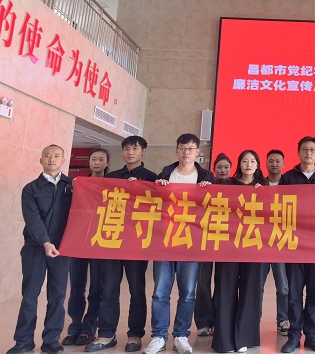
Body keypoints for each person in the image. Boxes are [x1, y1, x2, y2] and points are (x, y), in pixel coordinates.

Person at [141, 134, 213, 354]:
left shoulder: (206, 177)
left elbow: (215, 207)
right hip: (165, 242)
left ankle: (181, 335)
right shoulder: (165, 174)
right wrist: (158, 187)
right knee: (160, 292)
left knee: (188, 293)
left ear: (197, 152)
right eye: (182, 148)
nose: (186, 152)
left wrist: (210, 189)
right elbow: (151, 203)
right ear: (176, 150)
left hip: (190, 244)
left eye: (191, 148)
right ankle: (159, 336)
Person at [86, 136, 158, 352]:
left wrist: (139, 190)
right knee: (108, 289)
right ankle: (106, 334)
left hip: (136, 243)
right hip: (112, 240)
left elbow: (157, 209)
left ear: (143, 151)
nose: (130, 152)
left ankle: (135, 334)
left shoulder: (152, 178)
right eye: (126, 149)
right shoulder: (112, 177)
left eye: (134, 148)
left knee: (137, 290)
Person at [6, 145, 73, 354]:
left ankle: (51, 340)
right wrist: (45, 242)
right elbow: (32, 219)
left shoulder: (72, 187)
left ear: (63, 160)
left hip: (62, 250)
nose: (51, 159)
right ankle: (23, 341)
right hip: (35, 247)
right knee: (30, 295)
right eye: (47, 155)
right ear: (41, 160)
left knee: (57, 296)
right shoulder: (31, 189)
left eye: (56, 155)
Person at [279, 136, 315, 353]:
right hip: (294, 244)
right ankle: (294, 336)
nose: (308, 152)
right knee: (294, 294)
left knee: (314, 294)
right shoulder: (288, 178)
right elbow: (279, 206)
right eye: (305, 149)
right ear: (298, 152)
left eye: (312, 149)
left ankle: (312, 335)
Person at [212, 150, 268, 353]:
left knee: (250, 291)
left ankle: (243, 337)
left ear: (258, 165)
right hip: (229, 246)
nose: (248, 164)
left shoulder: (265, 188)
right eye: (245, 160)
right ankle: (225, 340)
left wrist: (265, 195)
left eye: (252, 161)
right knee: (225, 290)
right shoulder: (228, 185)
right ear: (239, 164)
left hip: (254, 245)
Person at [62, 148, 109, 346]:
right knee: (76, 286)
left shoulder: (113, 184)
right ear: (89, 163)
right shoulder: (77, 183)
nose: (96, 162)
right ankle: (74, 326)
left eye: (101, 159)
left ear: (107, 163)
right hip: (79, 240)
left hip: (100, 241)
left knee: (97, 287)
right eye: (93, 159)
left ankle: (89, 327)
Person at [195, 154, 231, 337]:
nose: (222, 170)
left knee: (222, 282)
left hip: (227, 241)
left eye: (226, 167)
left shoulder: (236, 186)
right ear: (214, 169)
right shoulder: (206, 184)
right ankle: (203, 321)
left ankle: (218, 321)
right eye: (219, 167)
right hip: (206, 240)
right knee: (203, 282)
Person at [260, 149, 290, 336]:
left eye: (278, 161)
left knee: (283, 286)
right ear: (265, 164)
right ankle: (255, 318)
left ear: (283, 164)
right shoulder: (258, 184)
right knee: (257, 285)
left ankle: (283, 319)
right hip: (261, 242)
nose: (274, 164)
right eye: (271, 161)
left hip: (281, 242)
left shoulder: (290, 185)